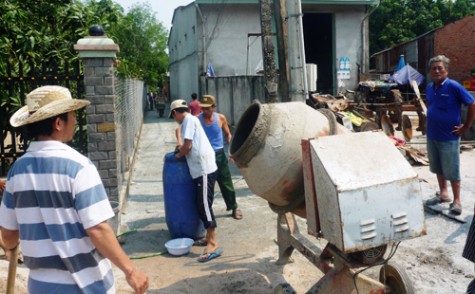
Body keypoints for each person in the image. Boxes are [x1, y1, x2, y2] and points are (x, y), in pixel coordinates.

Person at [0, 86, 149, 293]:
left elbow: (8, 235)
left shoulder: (17, 171)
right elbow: (97, 229)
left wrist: (11, 244)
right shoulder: (79, 167)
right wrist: (131, 270)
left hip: (40, 286)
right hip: (84, 285)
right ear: (58, 123)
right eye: (72, 116)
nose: (76, 121)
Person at [169, 99, 222, 262]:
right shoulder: (190, 121)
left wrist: (176, 157)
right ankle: (208, 237)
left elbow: (187, 146)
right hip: (201, 168)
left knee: (204, 204)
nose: (174, 119)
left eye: (173, 116)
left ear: (176, 112)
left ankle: (213, 243)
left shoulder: (188, 121)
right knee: (203, 203)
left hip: (204, 168)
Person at [424, 55, 475, 215]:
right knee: (437, 166)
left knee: (452, 169)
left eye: (440, 68)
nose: (437, 70)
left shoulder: (453, 86)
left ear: (446, 70)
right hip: (432, 135)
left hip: (449, 136)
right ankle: (443, 193)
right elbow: (431, 105)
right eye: (434, 68)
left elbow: (472, 103)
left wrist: (466, 126)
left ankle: (457, 200)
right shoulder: (431, 87)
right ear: (430, 71)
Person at [198, 95, 242, 220]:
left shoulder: (220, 118)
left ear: (213, 107)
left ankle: (233, 207)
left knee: (226, 183)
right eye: (203, 108)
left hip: (219, 156)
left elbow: (228, 134)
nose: (205, 111)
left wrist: (232, 151)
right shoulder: (197, 120)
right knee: (207, 187)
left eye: (208, 108)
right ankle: (206, 212)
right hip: (205, 157)